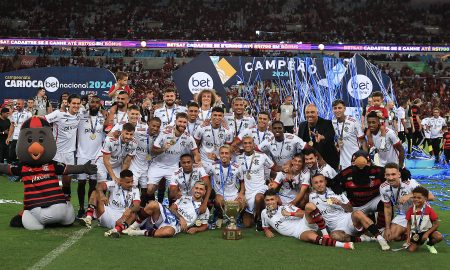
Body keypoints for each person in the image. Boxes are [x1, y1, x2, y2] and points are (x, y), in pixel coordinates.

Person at [309, 174, 390, 250]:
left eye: (321, 181)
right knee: (334, 236)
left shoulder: (336, 192)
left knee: (357, 213)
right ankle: (362, 238)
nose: (319, 184)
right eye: (316, 183)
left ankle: (380, 238)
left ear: (325, 182)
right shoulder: (311, 197)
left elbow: (350, 209)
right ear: (312, 185)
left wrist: (340, 203)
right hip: (336, 228)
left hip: (348, 220)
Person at [261, 189, 354, 250]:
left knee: (309, 206)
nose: (270, 202)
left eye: (272, 199)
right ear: (264, 201)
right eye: (267, 200)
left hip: (305, 223)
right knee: (312, 238)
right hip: (297, 233)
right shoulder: (264, 213)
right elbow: (265, 226)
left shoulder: (286, 207)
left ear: (277, 199)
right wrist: (266, 230)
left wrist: (290, 213)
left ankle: (325, 233)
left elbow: (303, 213)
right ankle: (345, 245)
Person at [146, 113, 201, 205]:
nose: (182, 124)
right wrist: (163, 148)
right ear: (175, 122)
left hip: (173, 167)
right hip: (158, 165)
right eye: (180, 121)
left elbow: (195, 153)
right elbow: (153, 151)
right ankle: (153, 206)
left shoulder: (188, 137)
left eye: (184, 122)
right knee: (150, 189)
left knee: (173, 193)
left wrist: (198, 162)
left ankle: (171, 210)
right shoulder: (165, 133)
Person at [124, 181, 209, 237]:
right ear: (193, 189)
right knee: (153, 204)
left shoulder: (204, 209)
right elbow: (172, 208)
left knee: (169, 232)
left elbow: (205, 225)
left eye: (201, 189)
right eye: (196, 188)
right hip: (167, 215)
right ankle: (132, 227)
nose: (198, 191)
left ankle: (136, 232)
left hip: (175, 225)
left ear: (204, 192)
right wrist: (181, 218)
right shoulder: (184, 198)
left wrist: (196, 229)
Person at [330, 150, 387, 228]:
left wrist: (403, 173)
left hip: (372, 201)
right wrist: (337, 188)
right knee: (350, 227)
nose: (361, 169)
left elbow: (393, 173)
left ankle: (381, 227)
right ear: (352, 164)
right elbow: (332, 183)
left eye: (364, 165)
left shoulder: (379, 171)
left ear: (369, 163)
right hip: (354, 205)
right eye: (357, 166)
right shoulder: (345, 173)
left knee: (385, 201)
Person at [80, 170, 140, 238]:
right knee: (95, 192)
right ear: (120, 181)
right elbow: (99, 186)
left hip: (121, 218)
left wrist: (130, 210)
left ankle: (115, 230)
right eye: (128, 182)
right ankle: (88, 218)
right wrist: (102, 194)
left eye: (132, 181)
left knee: (134, 214)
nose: (131, 184)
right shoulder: (114, 184)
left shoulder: (135, 189)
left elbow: (137, 206)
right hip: (106, 213)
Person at [380, 163, 432, 243]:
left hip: (420, 213)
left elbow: (431, 197)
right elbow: (387, 207)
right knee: (391, 237)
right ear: (384, 175)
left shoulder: (410, 183)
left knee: (426, 237)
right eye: (388, 175)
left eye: (393, 174)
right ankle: (408, 232)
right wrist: (387, 228)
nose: (391, 178)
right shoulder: (383, 187)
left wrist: (410, 195)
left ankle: (413, 231)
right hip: (403, 214)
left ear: (399, 174)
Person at [44, 94, 82, 199]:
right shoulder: (58, 114)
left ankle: (66, 202)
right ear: (68, 104)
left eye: (78, 103)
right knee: (52, 181)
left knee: (67, 182)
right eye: (74, 103)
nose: (76, 106)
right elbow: (42, 120)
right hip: (56, 153)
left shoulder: (80, 115)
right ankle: (50, 201)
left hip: (69, 153)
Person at [75, 95, 106, 218]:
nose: (94, 104)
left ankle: (90, 208)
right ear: (88, 103)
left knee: (93, 183)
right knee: (81, 183)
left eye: (97, 102)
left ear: (100, 104)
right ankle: (81, 208)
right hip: (82, 154)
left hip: (97, 156)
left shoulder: (103, 118)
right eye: (92, 102)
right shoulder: (81, 116)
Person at [236, 136, 275, 230]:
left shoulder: (262, 156)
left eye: (250, 143)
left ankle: (259, 218)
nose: (247, 145)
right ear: (242, 145)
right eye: (245, 143)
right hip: (248, 191)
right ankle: (245, 215)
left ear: (254, 144)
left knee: (258, 198)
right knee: (247, 224)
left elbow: (274, 168)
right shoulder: (238, 158)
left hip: (261, 187)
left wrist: (275, 180)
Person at [204, 145, 246, 226]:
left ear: (230, 155)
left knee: (243, 202)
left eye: (226, 153)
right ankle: (219, 216)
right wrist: (210, 189)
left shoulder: (237, 167)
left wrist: (241, 193)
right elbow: (205, 177)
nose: (224, 155)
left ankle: (236, 218)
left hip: (233, 194)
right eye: (222, 153)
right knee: (218, 200)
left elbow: (242, 181)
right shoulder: (213, 166)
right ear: (219, 155)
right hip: (220, 195)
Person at [298, 103, 339, 170]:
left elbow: (331, 135)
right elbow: (301, 143)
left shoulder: (327, 123)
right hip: (310, 163)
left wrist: (322, 137)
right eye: (307, 112)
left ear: (317, 113)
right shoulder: (302, 125)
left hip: (327, 161)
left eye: (312, 112)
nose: (309, 115)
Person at [406, 186, 443, 254]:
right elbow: (408, 224)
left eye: (419, 198)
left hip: (429, 231)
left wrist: (427, 233)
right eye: (414, 197)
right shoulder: (410, 210)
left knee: (439, 237)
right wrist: (408, 237)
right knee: (411, 250)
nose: (416, 199)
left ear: (425, 198)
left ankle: (430, 244)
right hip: (416, 233)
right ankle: (420, 242)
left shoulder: (429, 210)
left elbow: (437, 224)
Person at [331, 99, 366, 170]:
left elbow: (363, 141)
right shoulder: (333, 122)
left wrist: (366, 158)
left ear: (344, 108)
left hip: (356, 160)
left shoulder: (353, 122)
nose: (337, 110)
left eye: (339, 108)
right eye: (335, 108)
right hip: (342, 163)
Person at [6, 99, 32, 163]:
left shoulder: (28, 114)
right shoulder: (14, 114)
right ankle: (13, 168)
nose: (17, 105)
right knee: (12, 155)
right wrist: (9, 137)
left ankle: (23, 168)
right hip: (15, 137)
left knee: (23, 155)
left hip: (24, 138)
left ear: (23, 105)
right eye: (16, 104)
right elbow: (12, 126)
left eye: (19, 104)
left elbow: (31, 126)